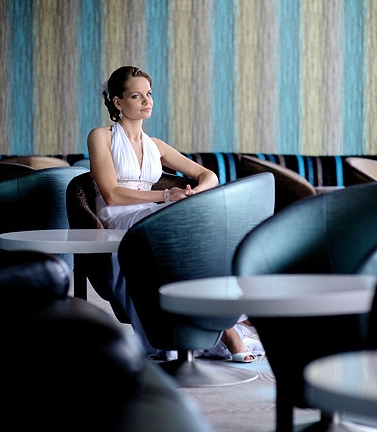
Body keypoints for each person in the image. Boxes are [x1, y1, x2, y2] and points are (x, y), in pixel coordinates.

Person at [87, 65, 263, 362]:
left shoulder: (155, 145)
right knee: (177, 223)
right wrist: (167, 195)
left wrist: (196, 192)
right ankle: (230, 329)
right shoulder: (100, 137)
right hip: (118, 219)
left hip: (149, 213)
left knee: (200, 227)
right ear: (117, 102)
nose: (147, 101)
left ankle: (224, 315)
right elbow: (111, 195)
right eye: (137, 96)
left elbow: (208, 175)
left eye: (149, 94)